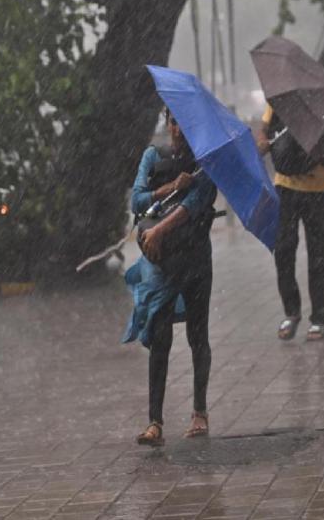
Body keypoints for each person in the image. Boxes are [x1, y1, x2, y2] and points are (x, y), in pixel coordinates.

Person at [123, 107, 217, 446]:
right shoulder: (153, 156)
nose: (178, 129)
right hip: (161, 266)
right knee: (159, 338)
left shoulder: (207, 166)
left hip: (195, 261)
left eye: (185, 122)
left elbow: (195, 203)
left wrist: (162, 229)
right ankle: (155, 422)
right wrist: (165, 190)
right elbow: (136, 199)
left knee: (197, 337)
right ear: (167, 122)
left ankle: (200, 412)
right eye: (174, 121)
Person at [256, 105, 324, 341]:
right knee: (284, 248)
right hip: (286, 185)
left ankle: (319, 318)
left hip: (319, 188)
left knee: (317, 252)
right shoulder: (281, 99)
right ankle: (292, 312)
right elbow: (264, 129)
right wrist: (263, 142)